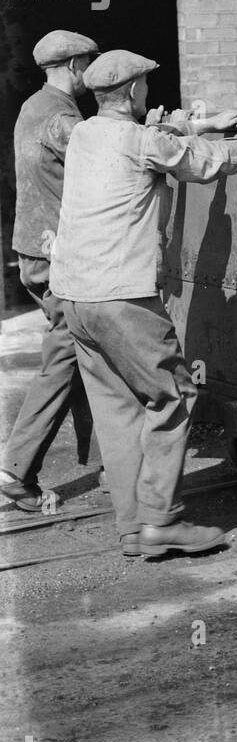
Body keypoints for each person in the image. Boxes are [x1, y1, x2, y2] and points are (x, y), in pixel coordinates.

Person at [49, 49, 237, 558]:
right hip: (122, 299)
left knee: (117, 411)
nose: (148, 96)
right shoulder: (140, 140)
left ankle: (133, 529)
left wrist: (199, 123)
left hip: (75, 298)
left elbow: (159, 137)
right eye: (145, 88)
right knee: (173, 395)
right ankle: (161, 520)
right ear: (133, 92)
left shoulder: (86, 134)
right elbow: (201, 163)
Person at [0, 30, 100, 511]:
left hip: (34, 248)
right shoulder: (62, 116)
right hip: (57, 255)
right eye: (90, 63)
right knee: (67, 352)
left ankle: (107, 460)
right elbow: (101, 161)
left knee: (83, 350)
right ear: (76, 65)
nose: (92, 72)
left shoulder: (32, 106)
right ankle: (16, 470)